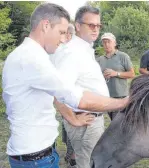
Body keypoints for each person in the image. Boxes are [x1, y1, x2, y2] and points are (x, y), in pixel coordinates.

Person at [2, 3, 128, 168]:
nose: (63, 39)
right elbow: (74, 97)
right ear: (46, 26)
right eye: (61, 32)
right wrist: (124, 102)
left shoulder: (28, 55)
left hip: (37, 154)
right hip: (36, 158)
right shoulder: (31, 59)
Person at [50, 6, 112, 168]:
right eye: (91, 25)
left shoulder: (85, 50)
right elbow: (57, 91)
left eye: (98, 25)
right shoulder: (71, 52)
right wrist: (72, 118)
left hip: (91, 119)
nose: (96, 29)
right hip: (85, 121)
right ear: (77, 26)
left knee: (92, 162)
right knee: (88, 163)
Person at [97, 32, 135, 120]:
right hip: (106, 97)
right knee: (113, 122)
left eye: (108, 42)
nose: (106, 44)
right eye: (104, 42)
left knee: (119, 124)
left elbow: (132, 74)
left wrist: (116, 73)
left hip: (120, 97)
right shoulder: (100, 59)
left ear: (114, 43)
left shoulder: (123, 56)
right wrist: (102, 76)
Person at [60, 23, 76, 164]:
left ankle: (72, 156)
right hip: (62, 96)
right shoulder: (61, 50)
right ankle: (70, 152)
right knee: (66, 126)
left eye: (63, 34)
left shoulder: (75, 51)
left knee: (72, 125)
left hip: (73, 96)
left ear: (69, 35)